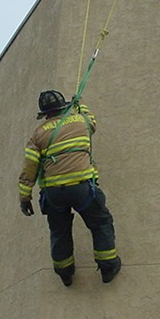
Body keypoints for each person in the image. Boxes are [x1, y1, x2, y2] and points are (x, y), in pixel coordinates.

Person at [18, 90, 121, 287]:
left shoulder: (37, 135)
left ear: (45, 114)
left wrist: (25, 198)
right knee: (100, 224)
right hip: (83, 189)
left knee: (59, 232)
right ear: (64, 107)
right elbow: (91, 120)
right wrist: (79, 104)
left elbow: (29, 169)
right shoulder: (80, 121)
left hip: (54, 194)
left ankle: (65, 273)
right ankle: (108, 267)